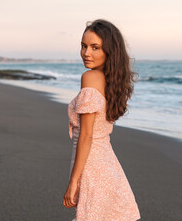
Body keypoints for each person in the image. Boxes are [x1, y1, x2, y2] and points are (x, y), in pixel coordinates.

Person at [63, 19, 141, 221]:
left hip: (92, 165)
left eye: (95, 47)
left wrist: (73, 181)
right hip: (108, 163)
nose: (86, 53)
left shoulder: (90, 78)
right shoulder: (113, 80)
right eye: (83, 46)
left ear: (109, 51)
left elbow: (86, 136)